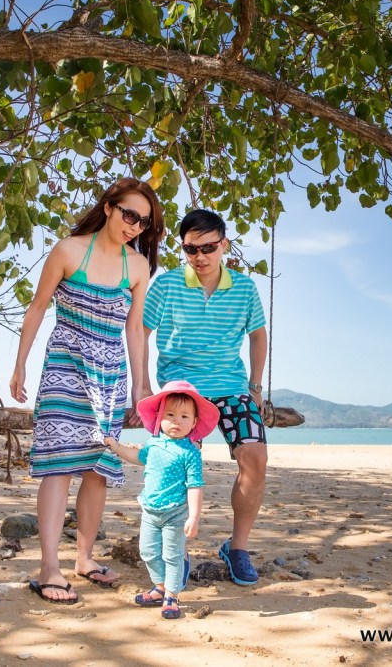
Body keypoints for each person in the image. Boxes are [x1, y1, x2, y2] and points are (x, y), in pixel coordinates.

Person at [10, 178, 164, 604]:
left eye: (143, 222)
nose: (135, 226)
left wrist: (141, 385)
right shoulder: (68, 250)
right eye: (129, 215)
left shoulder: (138, 267)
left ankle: (83, 558)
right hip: (64, 363)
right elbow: (38, 307)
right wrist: (20, 363)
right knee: (58, 465)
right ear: (110, 207)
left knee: (98, 468)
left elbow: (135, 329)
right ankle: (49, 568)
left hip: (110, 375)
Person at [142, 208, 268, 586]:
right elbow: (140, 331)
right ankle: (173, 551)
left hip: (231, 386)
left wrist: (256, 387)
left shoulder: (244, 288)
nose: (199, 257)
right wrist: (145, 387)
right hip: (181, 390)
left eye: (208, 248)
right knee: (174, 467)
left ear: (224, 245)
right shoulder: (166, 286)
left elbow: (258, 335)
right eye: (190, 250)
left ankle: (238, 548)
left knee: (255, 455)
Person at [103, 381, 218, 619]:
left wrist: (195, 516)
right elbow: (137, 456)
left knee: (172, 555)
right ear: (159, 417)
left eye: (185, 416)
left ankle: (172, 596)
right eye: (171, 414)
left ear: (194, 422)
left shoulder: (190, 453)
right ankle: (160, 586)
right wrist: (116, 447)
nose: (176, 421)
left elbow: (195, 486)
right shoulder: (154, 444)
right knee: (147, 552)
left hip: (176, 513)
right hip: (150, 511)